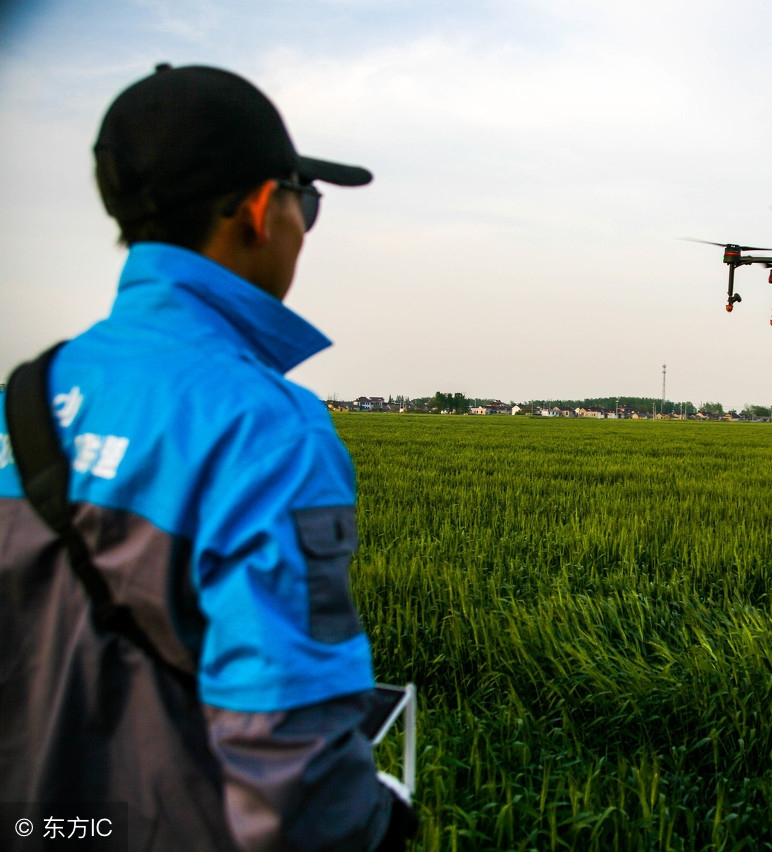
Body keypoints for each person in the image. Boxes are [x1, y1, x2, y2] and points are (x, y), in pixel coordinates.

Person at [0, 64, 415, 850]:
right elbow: (291, 767)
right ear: (263, 209)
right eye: (309, 203)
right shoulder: (266, 430)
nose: (304, 224)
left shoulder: (22, 397)